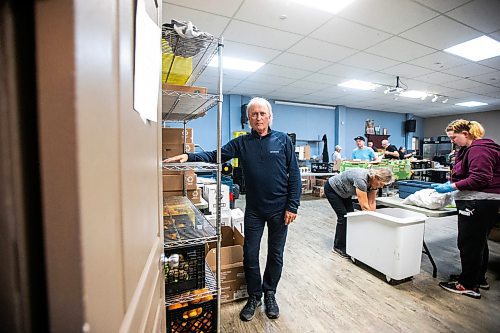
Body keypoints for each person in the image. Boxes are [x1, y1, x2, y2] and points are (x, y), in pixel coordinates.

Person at [164, 97, 301, 320]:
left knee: (276, 254)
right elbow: (213, 155)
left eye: (262, 114)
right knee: (249, 254)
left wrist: (292, 205)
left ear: (269, 117)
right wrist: (189, 156)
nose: (258, 117)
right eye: (254, 114)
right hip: (255, 210)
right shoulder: (242, 143)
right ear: (248, 118)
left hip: (280, 209)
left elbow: (294, 174)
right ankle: (254, 296)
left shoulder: (283, 140)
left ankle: (270, 293)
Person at [433, 119, 500, 299]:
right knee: (478, 243)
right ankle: (477, 278)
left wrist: (452, 187)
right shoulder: (471, 150)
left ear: (466, 133)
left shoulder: (479, 149)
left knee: (469, 243)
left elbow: (481, 178)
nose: (453, 141)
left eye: (454, 137)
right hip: (480, 201)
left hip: (477, 202)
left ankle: (467, 285)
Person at [323, 168, 394, 258]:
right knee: (344, 217)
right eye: (381, 184)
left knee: (351, 218)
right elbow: (364, 206)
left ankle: (348, 243)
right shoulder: (361, 179)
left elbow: (371, 202)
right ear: (376, 177)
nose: (381, 187)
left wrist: (374, 220)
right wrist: (370, 224)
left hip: (345, 193)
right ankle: (338, 247)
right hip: (333, 189)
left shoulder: (374, 184)